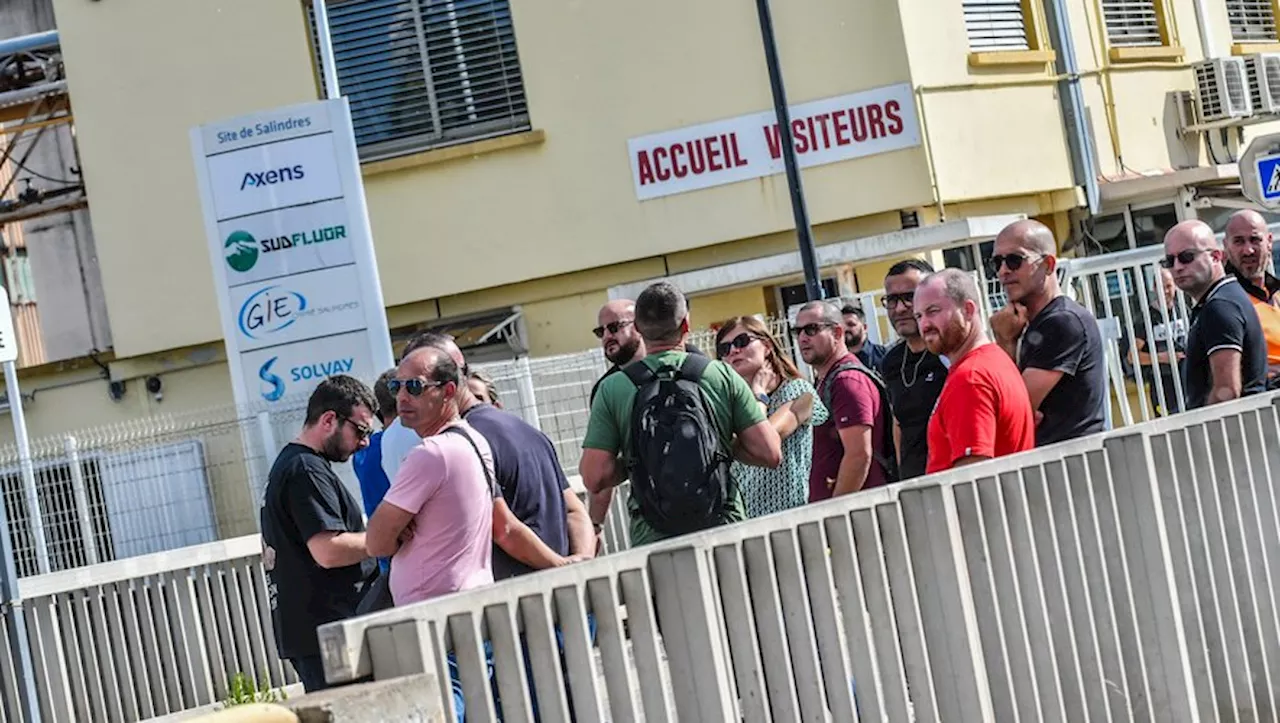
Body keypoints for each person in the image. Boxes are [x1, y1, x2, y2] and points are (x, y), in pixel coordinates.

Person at [580, 282, 781, 546]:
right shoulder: (719, 374)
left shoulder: (613, 388)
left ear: (639, 329)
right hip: (724, 527)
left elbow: (594, 477)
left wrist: (635, 460)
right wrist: (719, 445)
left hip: (653, 537)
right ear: (685, 325)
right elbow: (770, 453)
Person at [395, 332, 596, 579]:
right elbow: (574, 510)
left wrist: (563, 568)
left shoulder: (461, 444)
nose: (403, 396)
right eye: (398, 385)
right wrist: (581, 564)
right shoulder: (527, 431)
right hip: (560, 596)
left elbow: (504, 529)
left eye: (414, 385)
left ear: (447, 383)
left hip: (512, 600)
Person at [260, 375, 379, 693]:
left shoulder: (292, 465)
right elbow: (328, 550)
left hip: (318, 632)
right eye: (361, 430)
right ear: (329, 419)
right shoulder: (306, 470)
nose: (365, 442)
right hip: (330, 634)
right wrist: (383, 538)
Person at [989, 219, 1106, 446]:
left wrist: (1003, 341)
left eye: (1014, 260)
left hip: (1072, 462)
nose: (1003, 271)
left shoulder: (1062, 322)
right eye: (996, 262)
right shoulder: (1027, 324)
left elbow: (1011, 411)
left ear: (1048, 265)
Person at [914, 270, 1035, 473]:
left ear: (968, 310)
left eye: (933, 311)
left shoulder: (970, 378)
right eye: (919, 316)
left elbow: (973, 480)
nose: (924, 324)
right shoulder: (994, 359)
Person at [716, 315, 826, 518]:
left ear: (766, 346)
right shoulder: (728, 405)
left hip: (788, 517)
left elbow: (762, 441)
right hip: (744, 518)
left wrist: (759, 393)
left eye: (741, 342)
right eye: (724, 349)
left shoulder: (798, 391)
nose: (733, 351)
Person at [796, 300, 895, 500]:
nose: (802, 338)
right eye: (797, 331)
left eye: (811, 329)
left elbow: (859, 455)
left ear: (837, 333)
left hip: (856, 514)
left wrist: (835, 510)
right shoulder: (827, 380)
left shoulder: (847, 381)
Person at [1163, 219, 1267, 408]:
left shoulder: (1220, 306)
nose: (1177, 267)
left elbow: (1227, 392)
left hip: (1234, 431)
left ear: (1216, 256)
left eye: (1187, 256)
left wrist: (1196, 427)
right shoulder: (1221, 300)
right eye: (1170, 261)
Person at [877, 259, 948, 479]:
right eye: (892, 300)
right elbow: (899, 424)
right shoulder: (891, 361)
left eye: (910, 297)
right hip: (913, 481)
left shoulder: (949, 352)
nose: (899, 309)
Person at [1222, 209, 1280, 388]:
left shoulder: (1276, 292)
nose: (1248, 250)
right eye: (1239, 241)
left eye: (1255, 240)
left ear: (1269, 242)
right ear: (1226, 246)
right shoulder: (1224, 304)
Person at [1120, 267, 1186, 416]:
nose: (1166, 291)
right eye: (1162, 287)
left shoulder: (1182, 310)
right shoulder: (1146, 319)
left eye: (1169, 286)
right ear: (1154, 288)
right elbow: (1133, 356)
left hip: (1187, 377)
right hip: (1162, 382)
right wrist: (1163, 357)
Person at [841, 301, 887, 371]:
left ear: (864, 327)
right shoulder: (837, 360)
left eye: (851, 324)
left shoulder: (884, 355)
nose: (845, 329)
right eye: (842, 326)